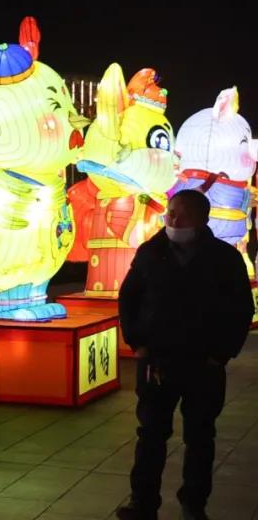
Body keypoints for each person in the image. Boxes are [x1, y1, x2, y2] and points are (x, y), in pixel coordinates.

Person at [116, 189, 254, 520]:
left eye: (182, 215)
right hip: (157, 361)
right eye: (171, 213)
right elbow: (129, 298)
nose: (174, 221)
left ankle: (194, 503)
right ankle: (142, 502)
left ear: (202, 219)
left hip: (203, 363)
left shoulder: (224, 258)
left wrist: (220, 354)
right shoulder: (151, 252)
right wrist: (138, 343)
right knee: (151, 433)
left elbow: (241, 309)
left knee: (200, 436)